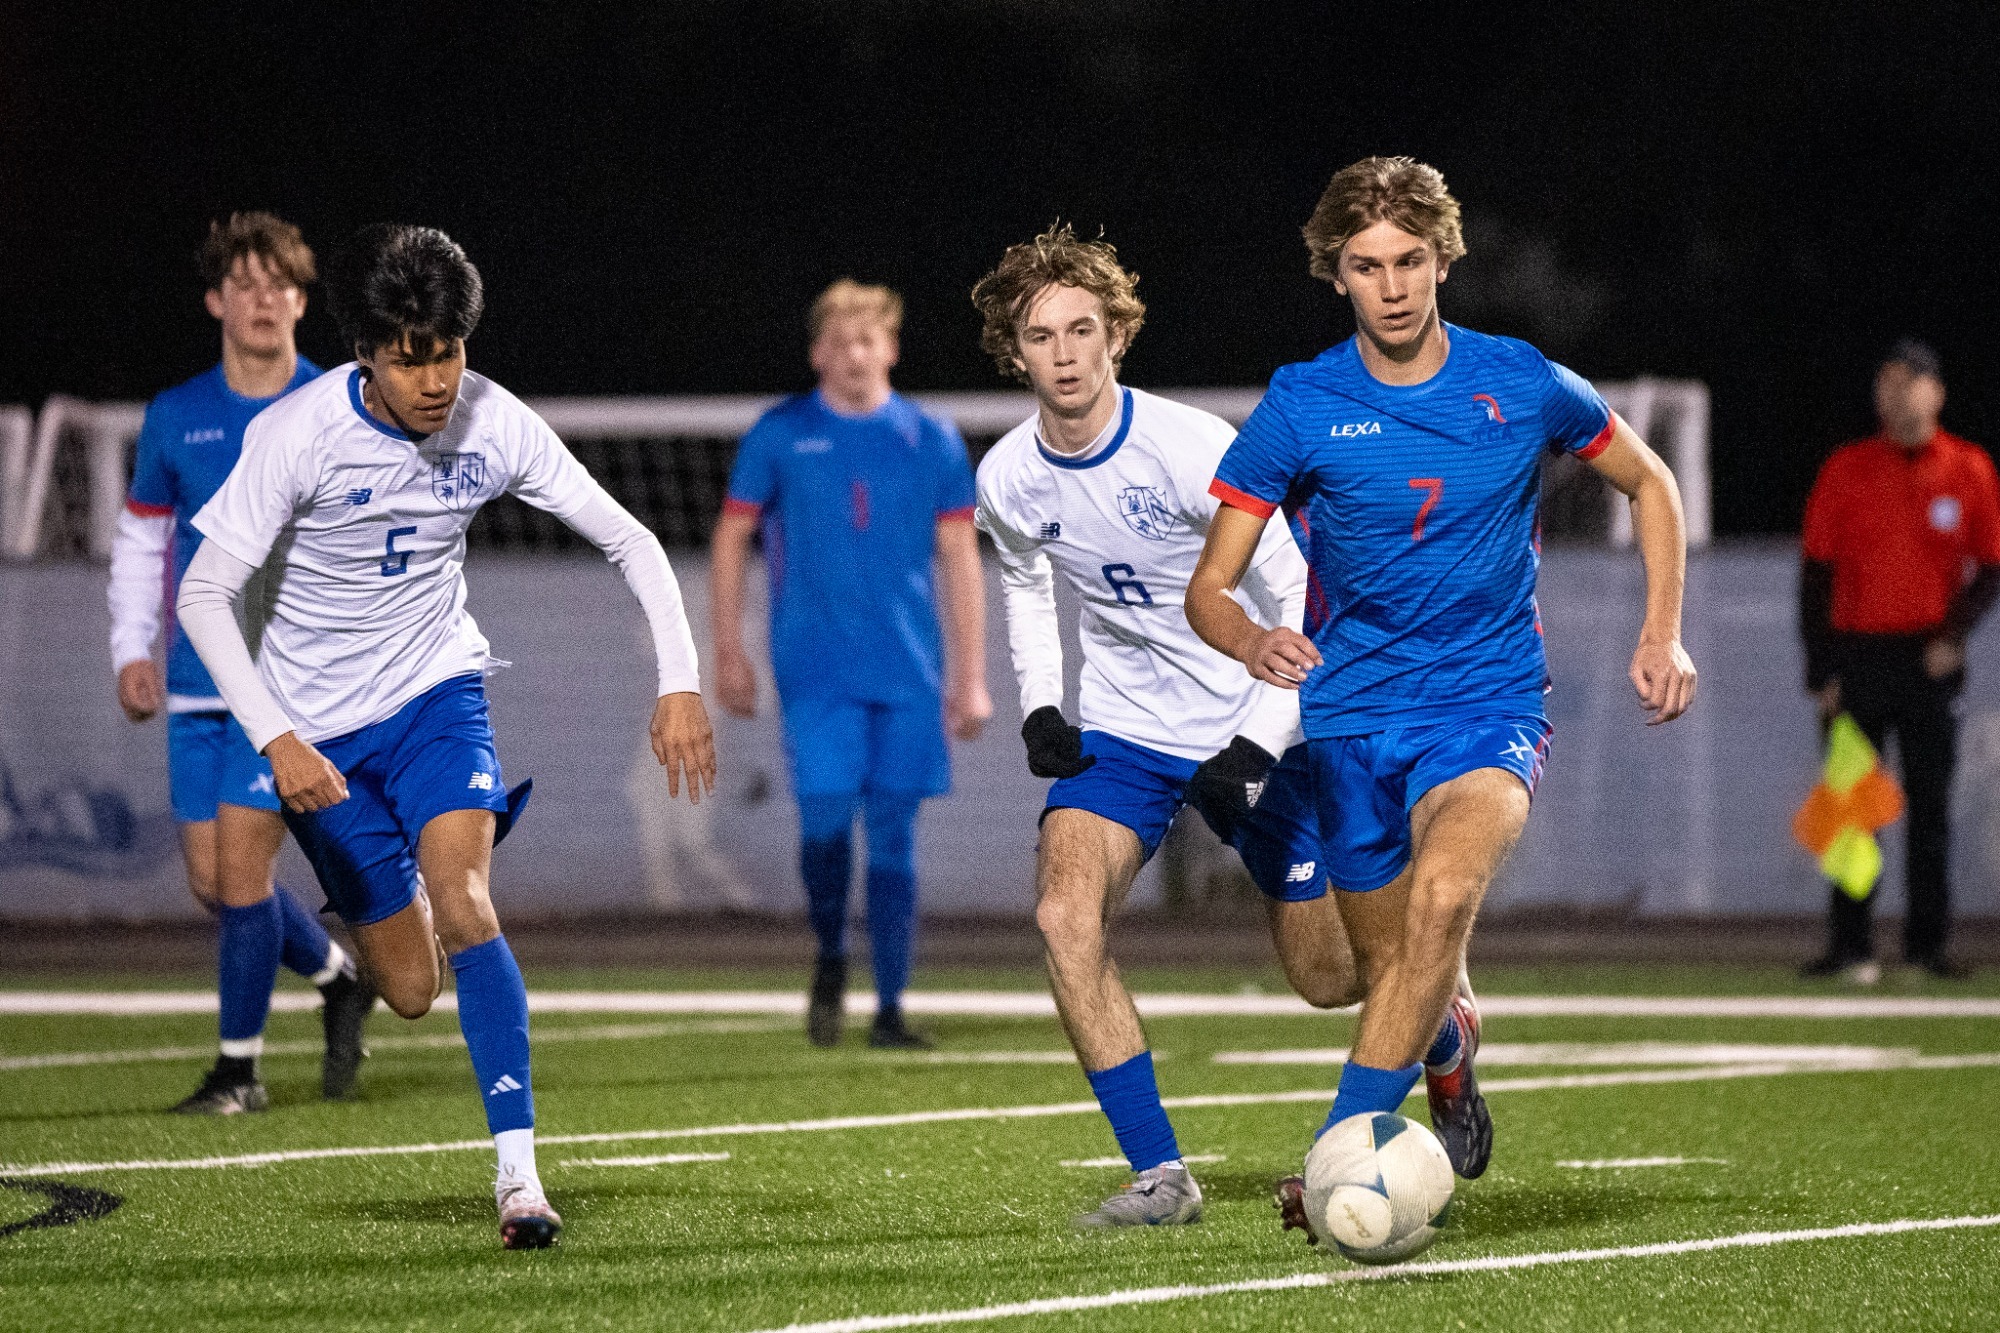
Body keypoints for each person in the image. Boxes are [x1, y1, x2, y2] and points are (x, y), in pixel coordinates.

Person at [176, 223, 717, 1250]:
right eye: (409, 356)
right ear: (367, 353)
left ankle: (519, 1179)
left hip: (435, 694)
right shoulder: (296, 435)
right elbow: (205, 595)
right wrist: (276, 736)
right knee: (413, 991)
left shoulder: (491, 420)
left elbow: (630, 539)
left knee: (469, 903)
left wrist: (678, 682)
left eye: (448, 351)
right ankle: (389, 912)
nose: (433, 379)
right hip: (320, 739)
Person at [1184, 157, 1697, 1233]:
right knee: (1370, 977)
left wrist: (1661, 632)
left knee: (1440, 901)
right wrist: (1248, 639)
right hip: (1349, 720)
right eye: (1365, 265)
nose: (1392, 284)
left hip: (1487, 704)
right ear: (1336, 277)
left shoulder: (1519, 380)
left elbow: (1648, 481)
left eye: (1410, 260)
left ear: (1444, 260)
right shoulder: (1302, 401)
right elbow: (1209, 586)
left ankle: (1336, 1157)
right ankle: (1446, 1050)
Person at [970, 224, 1362, 1227]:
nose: (1062, 353)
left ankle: (1441, 1031)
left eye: (1080, 329)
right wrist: (1043, 705)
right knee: (1063, 914)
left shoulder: (1189, 448)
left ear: (1117, 336)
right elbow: (1022, 583)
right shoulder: (1008, 475)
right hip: (1124, 730)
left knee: (1328, 979)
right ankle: (1160, 1175)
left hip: (1246, 716)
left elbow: (1292, 587)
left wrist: (1256, 738)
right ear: (1012, 352)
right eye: (1038, 335)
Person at [106, 211, 374, 1115]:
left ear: (303, 301)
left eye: (282, 285)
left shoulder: (336, 401)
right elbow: (145, 543)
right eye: (247, 284)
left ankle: (239, 1070)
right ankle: (339, 976)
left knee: (245, 878)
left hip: (288, 686)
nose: (265, 300)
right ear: (218, 299)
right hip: (193, 679)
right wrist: (129, 648)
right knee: (211, 883)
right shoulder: (177, 415)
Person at [711, 279, 991, 1050]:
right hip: (814, 670)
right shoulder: (780, 433)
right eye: (838, 341)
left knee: (896, 835)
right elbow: (731, 537)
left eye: (867, 339)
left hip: (908, 672)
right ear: (816, 353)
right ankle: (832, 951)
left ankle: (892, 1006)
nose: (853, 354)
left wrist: (970, 674)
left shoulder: (931, 437)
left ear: (891, 348)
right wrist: (728, 650)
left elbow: (961, 555)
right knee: (828, 821)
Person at [1799, 340, 2000, 982]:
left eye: (1912, 383)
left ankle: (1926, 947)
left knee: (1931, 806)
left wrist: (1954, 635)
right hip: (1857, 659)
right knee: (1852, 807)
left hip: (1927, 661)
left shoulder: (1968, 469)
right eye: (1888, 382)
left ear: (1936, 393)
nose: (1899, 393)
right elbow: (1816, 576)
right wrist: (1822, 671)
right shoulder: (1846, 468)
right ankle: (1851, 945)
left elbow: (1991, 568)